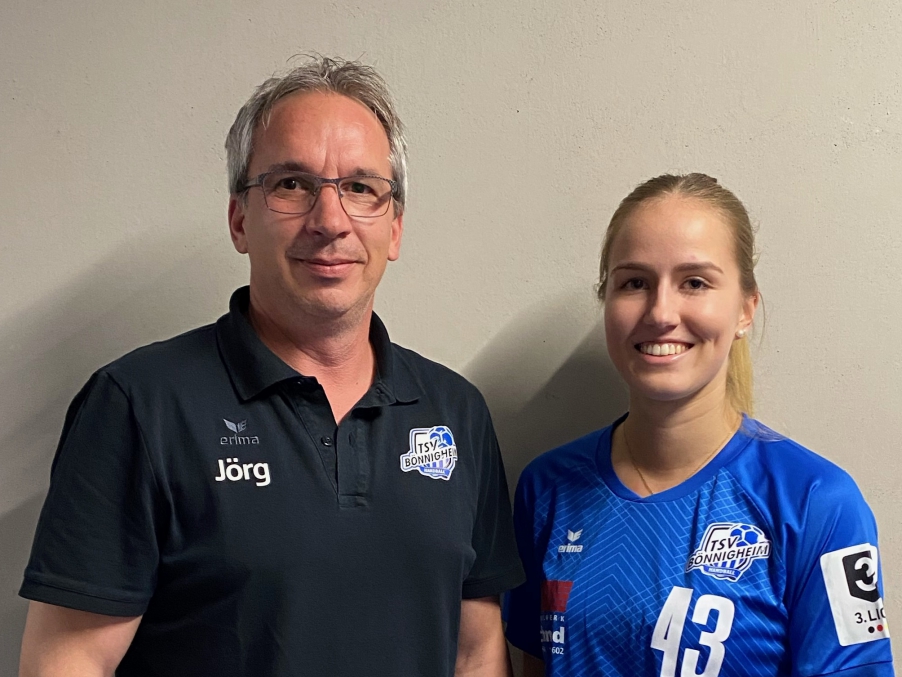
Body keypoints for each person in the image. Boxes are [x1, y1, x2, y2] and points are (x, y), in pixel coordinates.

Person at [19, 55, 523, 677]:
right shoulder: (139, 406)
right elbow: (69, 661)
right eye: (291, 185)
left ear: (394, 229)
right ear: (239, 220)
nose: (330, 221)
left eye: (361, 188)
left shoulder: (456, 412)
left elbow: (476, 651)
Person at [504, 173, 893, 676]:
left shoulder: (817, 503)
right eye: (635, 283)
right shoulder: (547, 487)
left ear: (745, 309)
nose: (661, 312)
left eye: (695, 282)